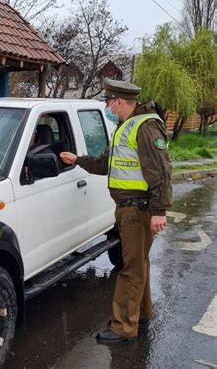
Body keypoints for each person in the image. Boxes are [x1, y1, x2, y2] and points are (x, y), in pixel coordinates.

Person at [60, 78, 172, 343]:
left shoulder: (145, 127)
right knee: (138, 264)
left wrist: (159, 211)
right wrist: (78, 160)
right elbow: (105, 164)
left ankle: (123, 327)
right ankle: (141, 316)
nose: (107, 107)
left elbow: (161, 171)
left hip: (138, 210)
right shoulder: (126, 126)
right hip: (129, 209)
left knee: (129, 269)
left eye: (109, 102)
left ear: (120, 101)